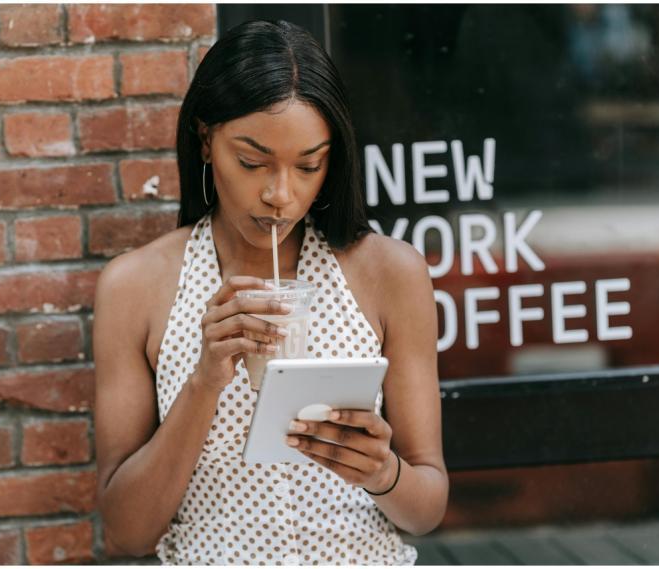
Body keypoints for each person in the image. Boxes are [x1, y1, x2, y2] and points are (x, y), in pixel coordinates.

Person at [94, 19, 448, 565]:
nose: (280, 194)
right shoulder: (135, 287)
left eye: (308, 166)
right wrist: (204, 381)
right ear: (206, 140)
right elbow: (127, 533)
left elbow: (426, 510)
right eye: (252, 162)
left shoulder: (389, 273)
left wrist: (383, 472)